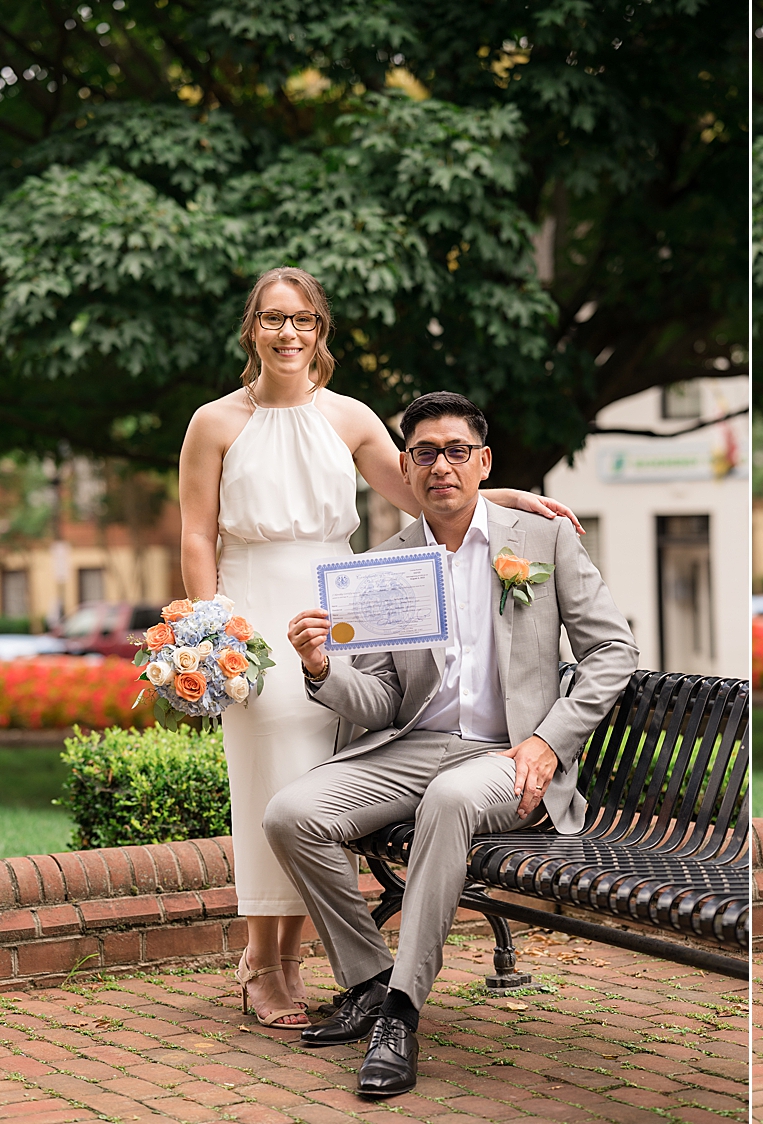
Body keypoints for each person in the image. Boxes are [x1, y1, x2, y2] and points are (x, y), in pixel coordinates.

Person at [178, 268, 583, 1029]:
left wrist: (513, 498)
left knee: (313, 778)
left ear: (321, 330)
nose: (287, 333)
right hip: (253, 620)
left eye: (302, 320)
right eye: (272, 320)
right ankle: (264, 965)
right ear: (252, 329)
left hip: (345, 613)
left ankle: (293, 959)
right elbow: (197, 533)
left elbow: (425, 490)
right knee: (270, 790)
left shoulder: (351, 418)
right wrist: (215, 629)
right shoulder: (215, 423)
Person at [265, 391, 637, 1098]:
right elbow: (377, 700)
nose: (442, 466)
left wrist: (549, 743)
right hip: (413, 746)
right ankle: (372, 981)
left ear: (483, 462)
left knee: (448, 798)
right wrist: (321, 669)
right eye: (425, 453)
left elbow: (612, 651)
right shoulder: (383, 564)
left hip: (509, 755)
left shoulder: (542, 540)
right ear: (406, 468)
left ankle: (401, 1017)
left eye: (457, 452)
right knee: (291, 815)